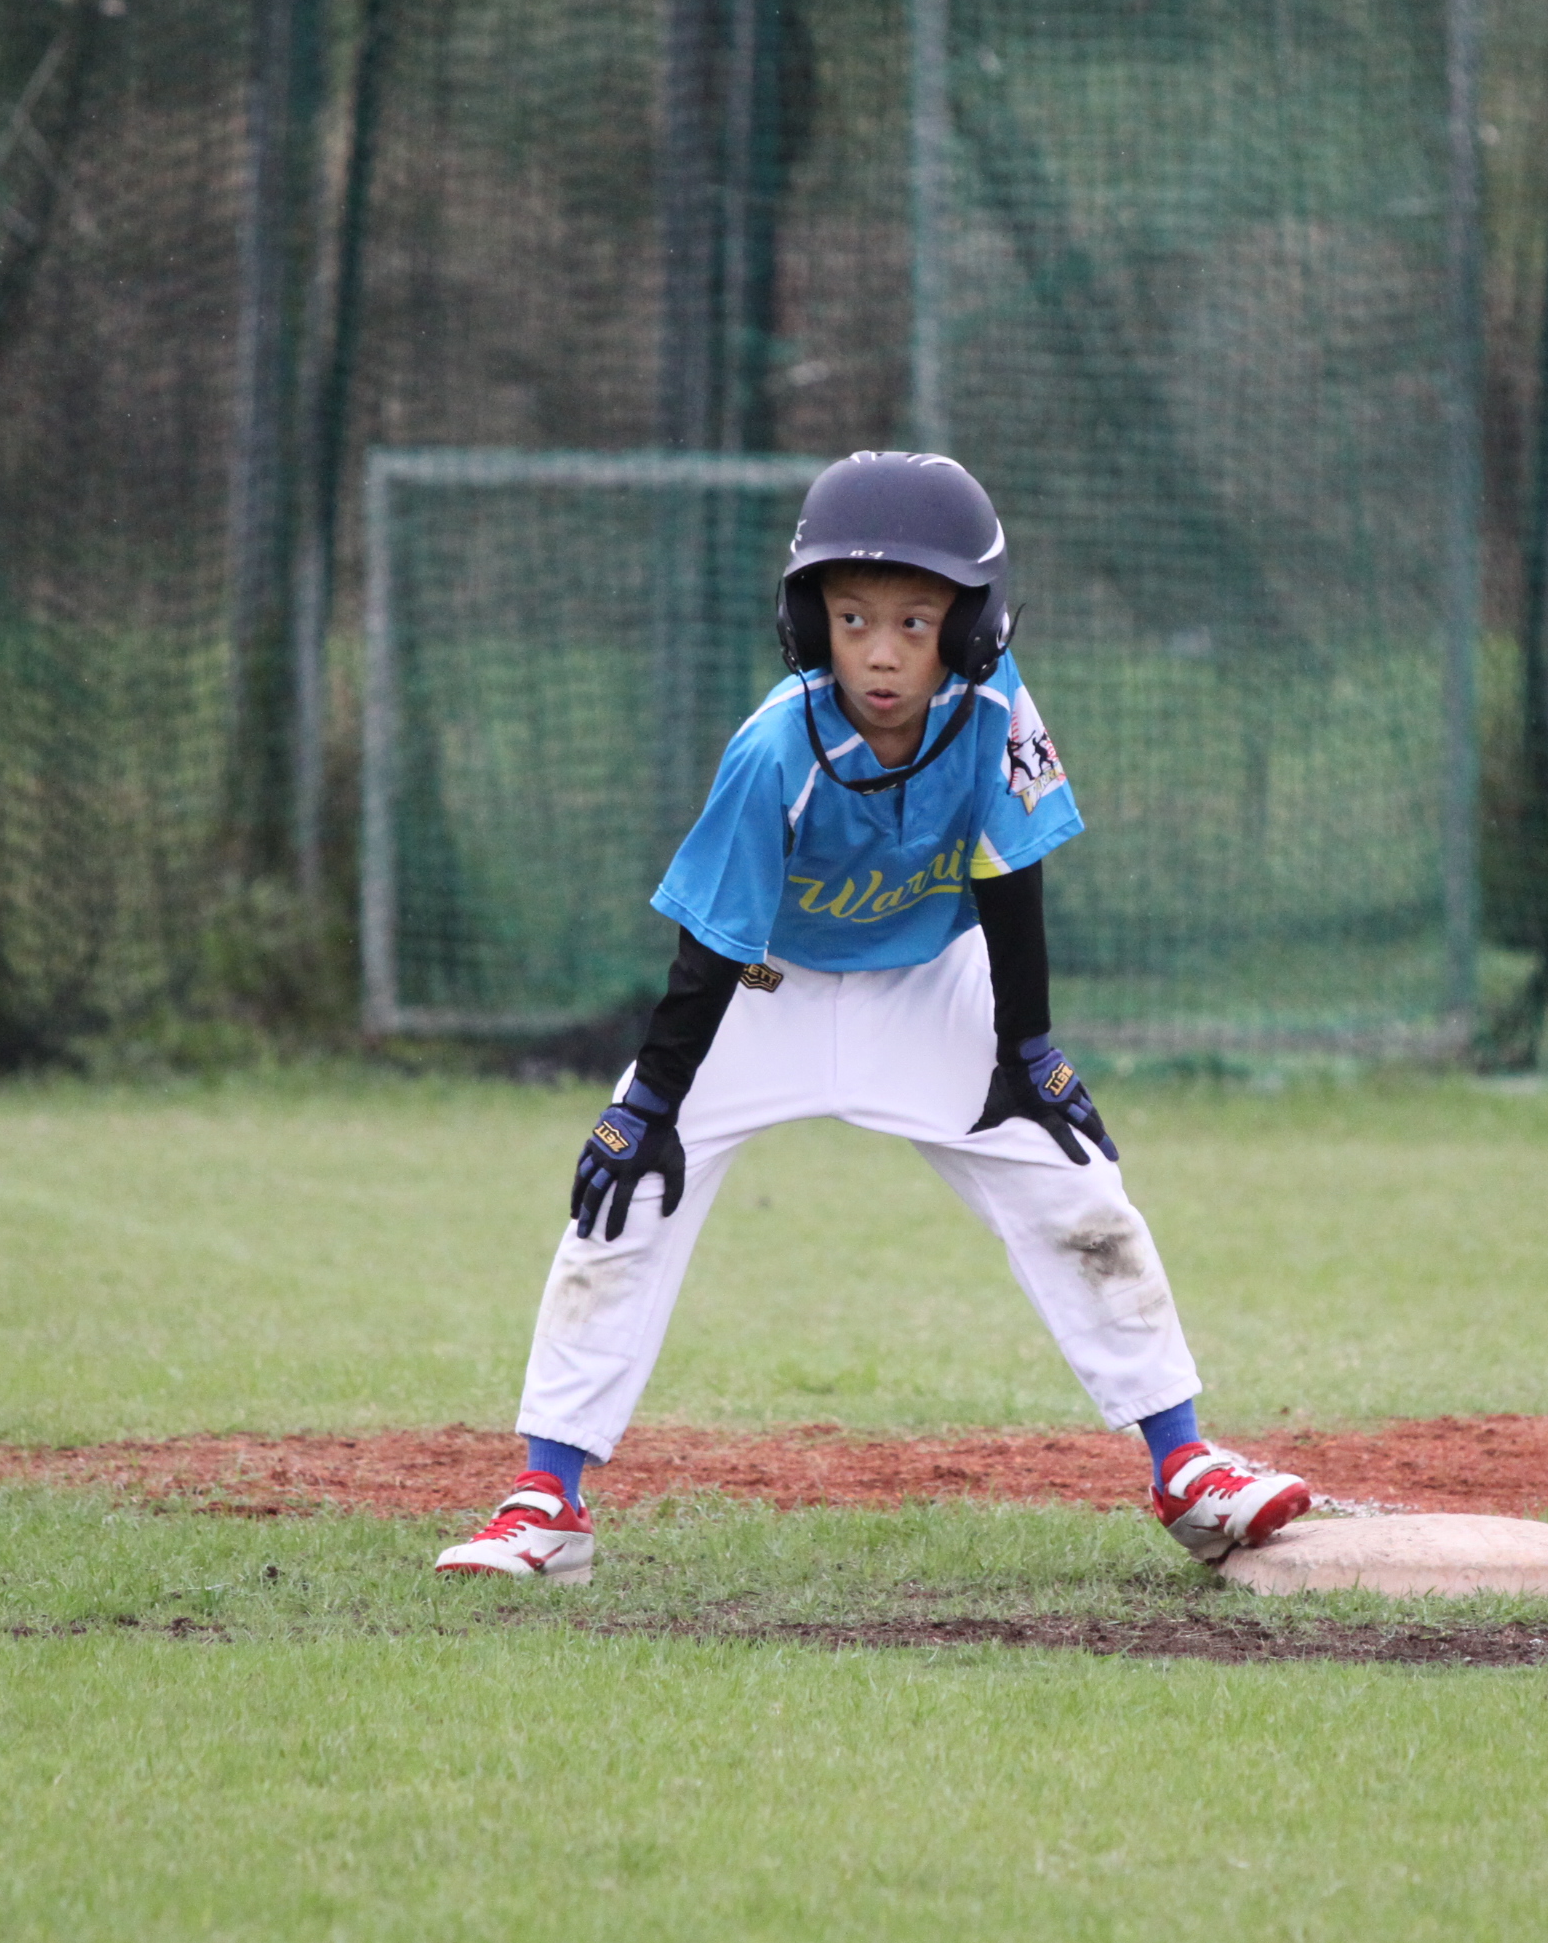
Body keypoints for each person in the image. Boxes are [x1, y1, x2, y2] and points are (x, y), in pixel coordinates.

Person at [434, 451, 1311, 1584]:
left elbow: (1011, 874)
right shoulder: (775, 748)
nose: (882, 652)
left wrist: (1027, 1046)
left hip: (931, 985)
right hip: (765, 990)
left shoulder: (995, 709)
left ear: (972, 627)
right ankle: (547, 1501)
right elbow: (713, 943)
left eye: (914, 621)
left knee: (1077, 1189)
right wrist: (650, 1100)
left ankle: (1184, 1467)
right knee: (624, 1200)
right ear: (811, 623)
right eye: (852, 619)